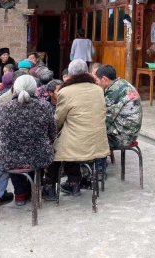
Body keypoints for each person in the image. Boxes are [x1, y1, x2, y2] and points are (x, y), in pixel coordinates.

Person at [42, 59, 109, 201]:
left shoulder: (65, 92)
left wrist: (51, 135)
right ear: (86, 72)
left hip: (78, 142)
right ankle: (74, 184)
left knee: (55, 148)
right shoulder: (98, 89)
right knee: (69, 139)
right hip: (97, 141)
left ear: (70, 74)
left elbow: (58, 120)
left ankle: (49, 187)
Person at [0, 75, 56, 206]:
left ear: (15, 89)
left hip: (8, 158)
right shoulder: (45, 107)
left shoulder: (3, 108)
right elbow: (52, 133)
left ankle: (20, 194)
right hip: (39, 157)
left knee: (13, 157)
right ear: (35, 89)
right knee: (36, 157)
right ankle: (34, 191)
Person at [95, 65, 142, 149]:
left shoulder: (114, 91)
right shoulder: (122, 83)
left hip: (123, 137)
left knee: (90, 138)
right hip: (131, 133)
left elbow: (105, 119)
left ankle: (99, 158)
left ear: (104, 79)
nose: (97, 84)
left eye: (97, 81)